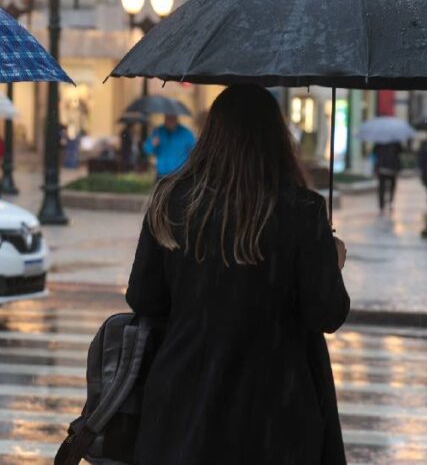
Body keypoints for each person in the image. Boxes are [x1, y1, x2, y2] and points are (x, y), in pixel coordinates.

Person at [127, 84, 350, 465]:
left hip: (185, 401)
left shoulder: (173, 201)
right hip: (274, 410)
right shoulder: (301, 210)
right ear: (276, 138)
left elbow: (144, 298)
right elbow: (327, 313)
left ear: (210, 135)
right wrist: (331, 261)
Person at [142, 113, 196, 179]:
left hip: (180, 174)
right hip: (161, 174)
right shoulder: (158, 131)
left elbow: (195, 151)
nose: (170, 121)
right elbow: (147, 149)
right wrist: (152, 144)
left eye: (172, 118)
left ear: (176, 118)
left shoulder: (186, 133)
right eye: (168, 118)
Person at [373, 141, 403, 214]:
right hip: (392, 167)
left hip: (382, 167)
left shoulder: (380, 141)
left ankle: (382, 205)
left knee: (382, 187)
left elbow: (374, 152)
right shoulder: (395, 141)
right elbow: (401, 151)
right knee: (392, 187)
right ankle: (390, 202)